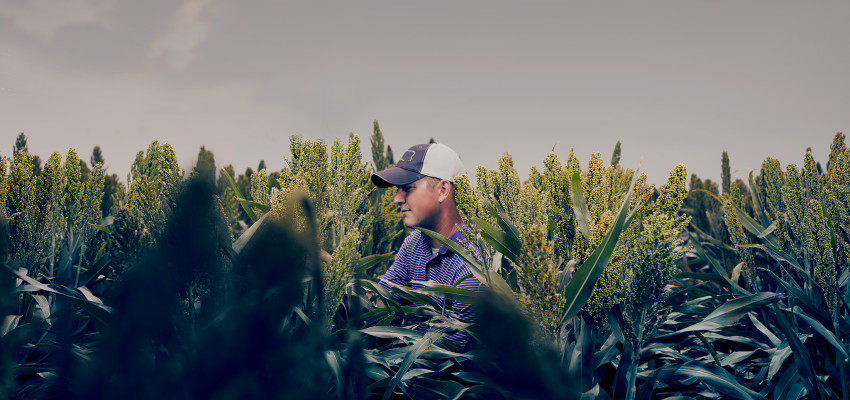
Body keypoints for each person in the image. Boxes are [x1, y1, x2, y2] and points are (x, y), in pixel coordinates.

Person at [370, 143, 482, 345]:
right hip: (412, 366)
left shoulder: (474, 263)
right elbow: (382, 307)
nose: (397, 199)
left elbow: (454, 354)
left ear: (443, 190)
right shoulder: (414, 243)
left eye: (407, 188)